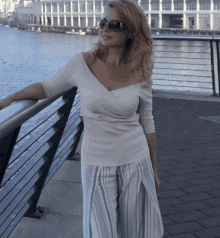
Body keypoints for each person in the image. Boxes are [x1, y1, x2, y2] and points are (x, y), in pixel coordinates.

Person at [0, 0, 164, 237]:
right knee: (101, 232)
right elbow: (46, 88)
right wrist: (11, 97)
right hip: (97, 163)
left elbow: (147, 121)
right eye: (102, 22)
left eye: (114, 24)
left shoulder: (141, 68)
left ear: (131, 31)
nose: (105, 29)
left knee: (136, 231)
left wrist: (154, 170)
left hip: (135, 161)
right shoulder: (83, 63)